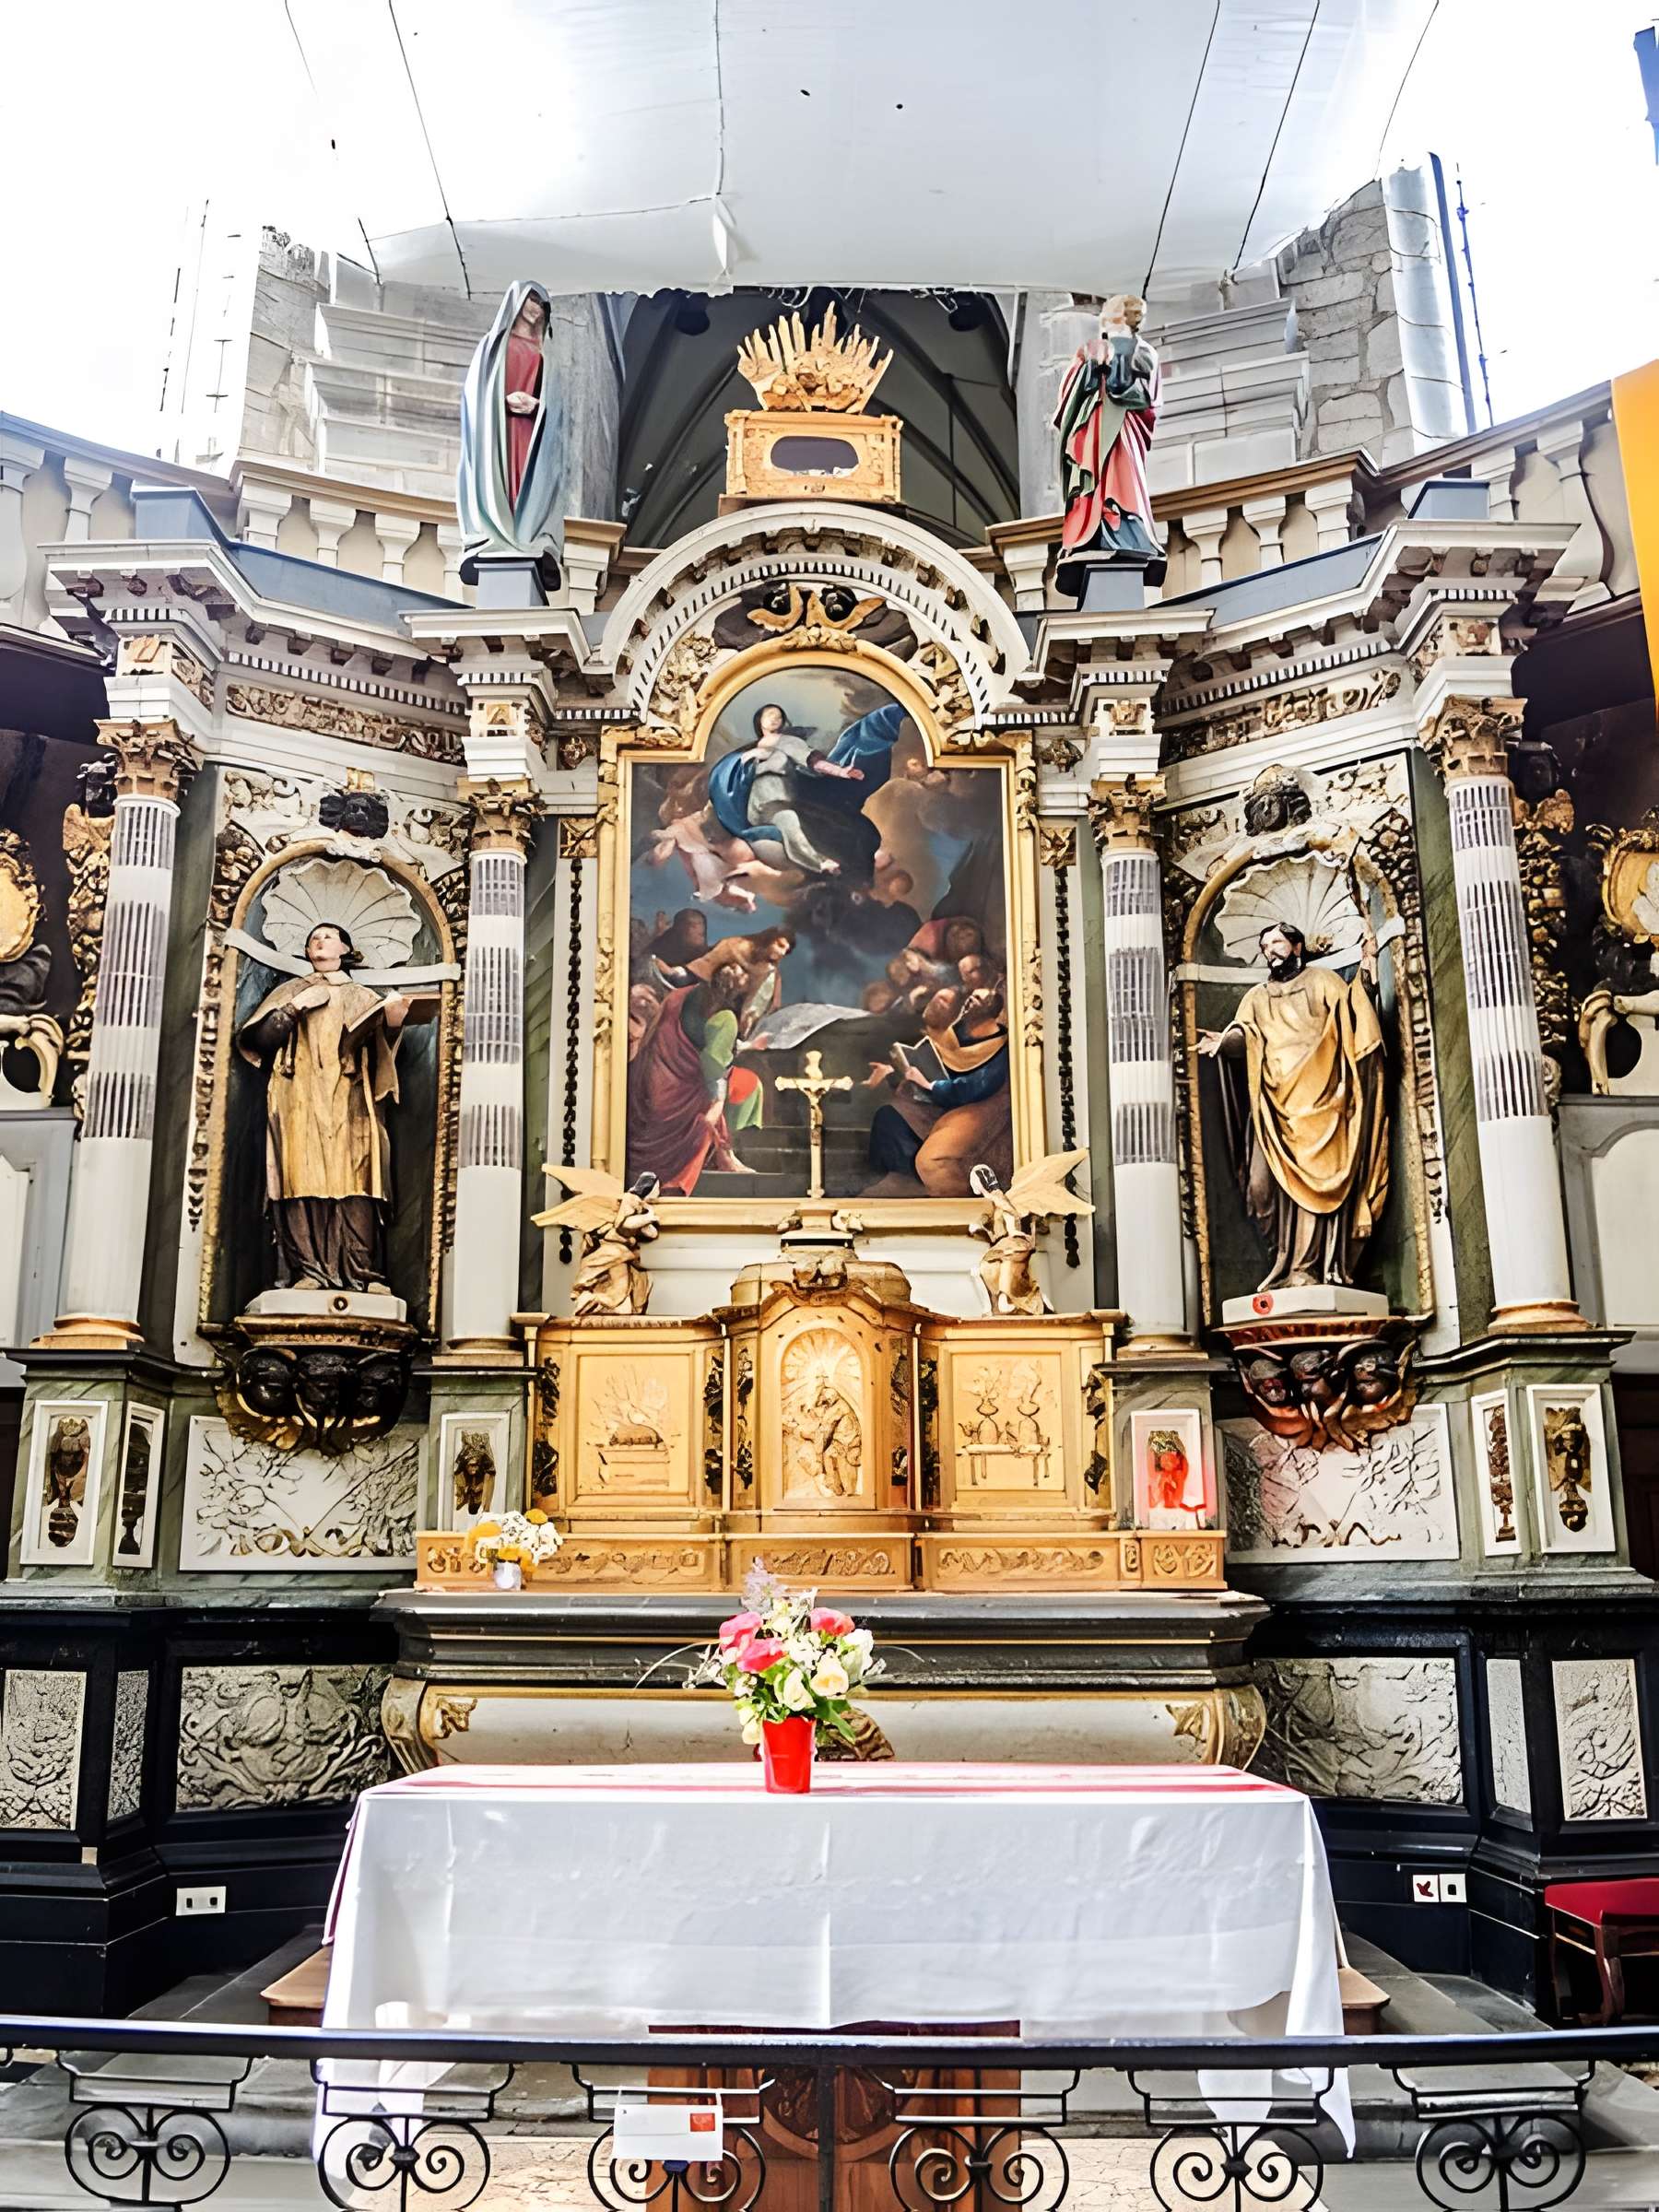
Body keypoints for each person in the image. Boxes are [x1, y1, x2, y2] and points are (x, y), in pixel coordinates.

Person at [1199, 920, 1389, 1290]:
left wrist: (1366, 972)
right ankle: (1283, 1258)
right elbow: (1245, 1034)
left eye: (1277, 943)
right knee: (1260, 1189)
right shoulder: (1256, 998)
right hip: (1274, 1106)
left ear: (1297, 947)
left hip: (1322, 1102)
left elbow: (1353, 1013)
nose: (1270, 951)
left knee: (1317, 1189)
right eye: (1265, 946)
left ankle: (1308, 1269)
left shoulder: (1323, 982)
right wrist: (1224, 1042)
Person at [236, 923, 413, 1293]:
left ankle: (361, 1273)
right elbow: (261, 1041)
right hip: (297, 1097)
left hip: (351, 1100)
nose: (319, 940)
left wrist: (393, 1025)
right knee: (299, 1177)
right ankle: (309, 1271)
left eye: (328, 936)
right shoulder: (291, 991)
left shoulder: (363, 996)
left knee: (358, 1179)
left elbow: (383, 1052)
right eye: (314, 938)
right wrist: (295, 1008)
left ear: (346, 949)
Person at [457, 280, 565, 576]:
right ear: (516, 301)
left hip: (530, 435)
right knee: (500, 479)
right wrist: (498, 402)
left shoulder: (547, 356)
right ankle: (496, 531)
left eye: (541, 304)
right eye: (531, 299)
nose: (536, 308)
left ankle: (527, 535)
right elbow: (474, 395)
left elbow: (556, 408)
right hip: (500, 433)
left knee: (528, 485)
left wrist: (537, 406)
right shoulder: (493, 346)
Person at [626, 965, 763, 1193]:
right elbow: (713, 1066)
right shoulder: (726, 1018)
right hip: (681, 1095)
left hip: (651, 1089)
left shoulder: (679, 996)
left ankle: (722, 1154)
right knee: (730, 1099)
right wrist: (717, 1102)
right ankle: (721, 1158)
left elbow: (693, 1047)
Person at [1053, 294, 1161, 577]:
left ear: (1129, 319)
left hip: (1124, 428)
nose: (1108, 320)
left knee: (1121, 476)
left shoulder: (1144, 351)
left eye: (1116, 315)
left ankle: (1125, 529)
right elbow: (1069, 390)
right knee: (1092, 479)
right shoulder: (1091, 348)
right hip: (1094, 424)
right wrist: (1091, 366)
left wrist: (1120, 361)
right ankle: (1088, 534)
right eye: (1108, 316)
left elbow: (1146, 397)